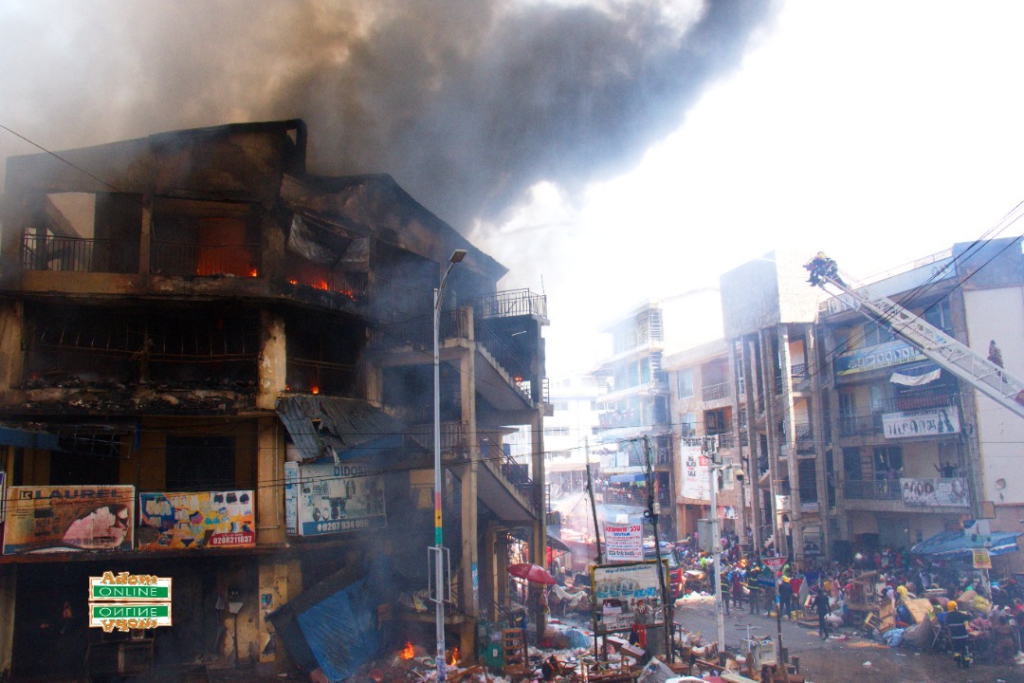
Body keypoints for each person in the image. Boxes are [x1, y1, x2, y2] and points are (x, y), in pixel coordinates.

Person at [943, 600, 972, 668]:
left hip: (954, 637)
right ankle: (966, 662)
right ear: (955, 607)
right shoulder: (960, 614)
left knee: (956, 649)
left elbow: (946, 626)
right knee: (965, 648)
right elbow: (969, 617)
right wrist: (969, 612)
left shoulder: (948, 617)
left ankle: (958, 661)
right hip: (963, 636)